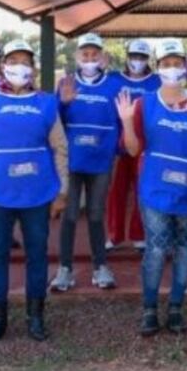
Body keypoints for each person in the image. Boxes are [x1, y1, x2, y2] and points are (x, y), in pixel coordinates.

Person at [0, 40, 69, 345]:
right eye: (14, 60)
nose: (20, 66)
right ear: (3, 64)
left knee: (37, 254)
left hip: (38, 193)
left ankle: (36, 316)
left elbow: (60, 148)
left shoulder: (46, 103)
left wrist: (63, 191)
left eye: (25, 61)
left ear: (32, 68)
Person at [117, 38, 187, 336]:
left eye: (177, 63)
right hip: (155, 189)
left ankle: (176, 308)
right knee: (156, 250)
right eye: (167, 64)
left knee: (184, 249)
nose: (173, 69)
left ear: (185, 66)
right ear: (158, 68)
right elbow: (132, 150)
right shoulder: (145, 103)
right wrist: (128, 122)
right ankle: (149, 310)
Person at [50, 33, 122, 293]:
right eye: (85, 55)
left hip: (101, 162)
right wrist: (62, 102)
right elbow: (53, 121)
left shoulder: (114, 86)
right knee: (69, 216)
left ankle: (100, 267)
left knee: (95, 214)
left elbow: (121, 120)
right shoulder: (66, 84)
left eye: (94, 55)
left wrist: (117, 149)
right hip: (71, 162)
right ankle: (65, 269)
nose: (90, 59)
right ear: (77, 57)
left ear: (102, 57)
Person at [105, 39, 160, 250]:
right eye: (134, 56)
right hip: (119, 147)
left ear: (148, 60)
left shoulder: (156, 81)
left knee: (141, 191)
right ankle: (114, 235)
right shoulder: (114, 78)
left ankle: (138, 235)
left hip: (145, 148)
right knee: (116, 192)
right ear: (127, 57)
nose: (137, 61)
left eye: (142, 57)